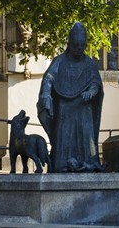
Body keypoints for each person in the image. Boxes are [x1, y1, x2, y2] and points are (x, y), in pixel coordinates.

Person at [37, 22, 104, 172]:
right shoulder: (59, 61)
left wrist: (92, 91)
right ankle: (61, 166)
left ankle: (88, 164)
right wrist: (46, 93)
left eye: (82, 45)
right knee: (63, 138)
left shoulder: (90, 64)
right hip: (65, 109)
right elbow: (49, 78)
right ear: (69, 43)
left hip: (84, 107)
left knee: (87, 138)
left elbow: (95, 83)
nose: (79, 48)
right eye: (76, 44)